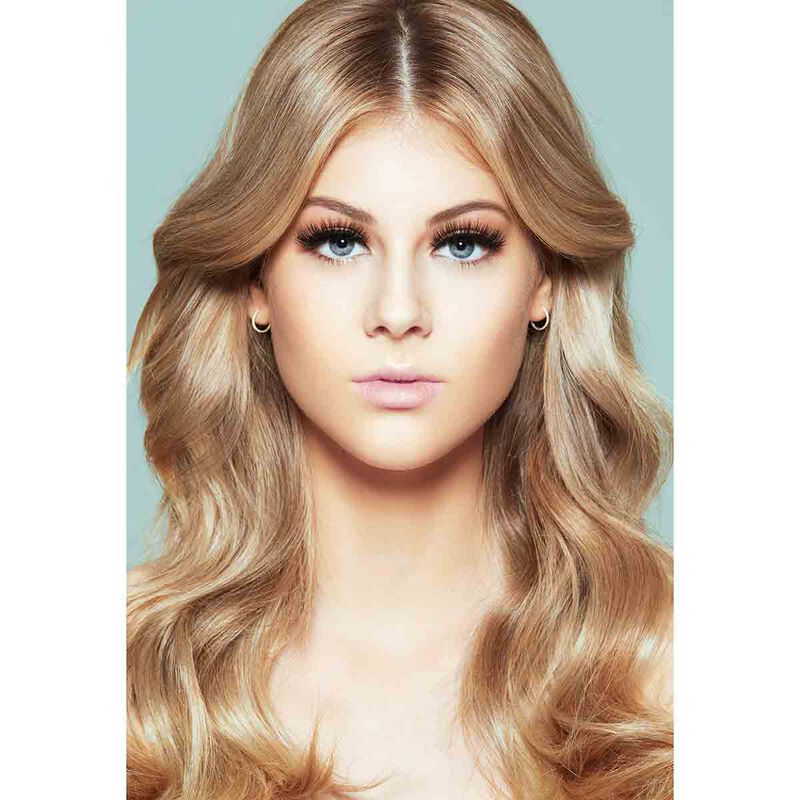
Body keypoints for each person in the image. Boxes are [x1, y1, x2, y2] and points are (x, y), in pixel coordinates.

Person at [127, 1, 673, 798]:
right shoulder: (120, 683)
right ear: (256, 282)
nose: (398, 311)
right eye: (338, 240)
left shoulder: (679, 669)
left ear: (545, 281)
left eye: (463, 243)